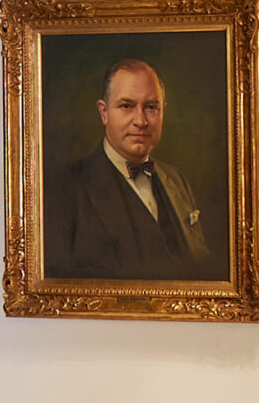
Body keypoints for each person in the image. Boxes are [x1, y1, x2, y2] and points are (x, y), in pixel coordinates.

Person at [50, 58, 216, 281]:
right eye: (126, 106)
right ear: (104, 112)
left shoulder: (177, 180)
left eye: (151, 107)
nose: (140, 121)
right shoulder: (62, 191)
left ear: (163, 111)